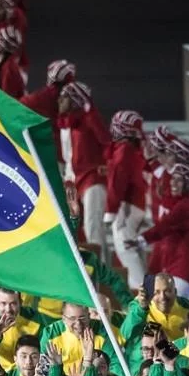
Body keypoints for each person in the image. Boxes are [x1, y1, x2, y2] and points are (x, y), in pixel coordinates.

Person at [134, 163, 189, 297]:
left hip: (184, 268)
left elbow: (166, 225)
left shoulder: (187, 205)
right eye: (173, 178)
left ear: (188, 185)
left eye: (179, 180)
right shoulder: (178, 205)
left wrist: (142, 239)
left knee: (169, 304)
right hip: (177, 268)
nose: (173, 183)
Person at [56, 81, 109, 261]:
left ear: (74, 100)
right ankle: (99, 266)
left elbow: (106, 143)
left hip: (93, 179)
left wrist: (106, 166)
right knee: (81, 227)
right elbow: (69, 157)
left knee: (92, 226)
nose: (59, 101)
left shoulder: (90, 119)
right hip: (76, 179)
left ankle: (99, 271)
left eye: (63, 97)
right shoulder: (68, 124)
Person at [104, 110, 147, 289]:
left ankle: (141, 290)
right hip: (135, 202)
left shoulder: (124, 151)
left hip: (129, 205)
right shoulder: (131, 150)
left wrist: (110, 211)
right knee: (131, 249)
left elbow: (117, 183)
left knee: (125, 247)